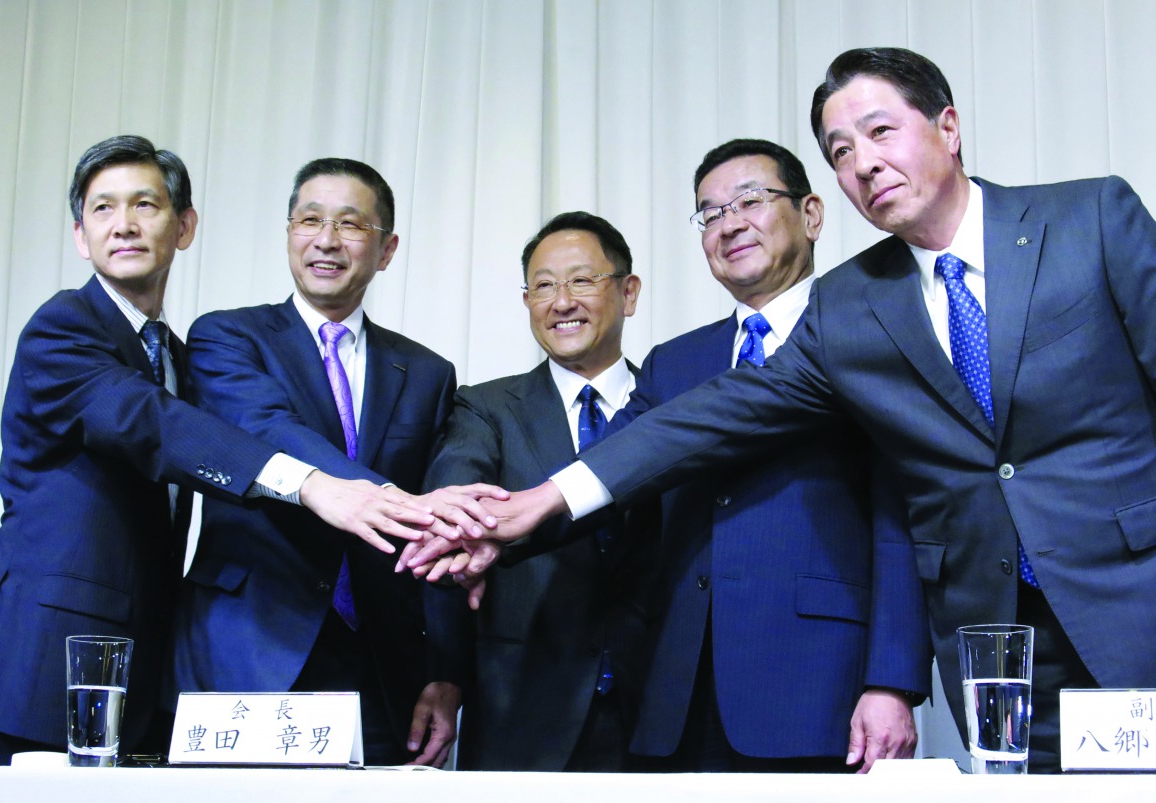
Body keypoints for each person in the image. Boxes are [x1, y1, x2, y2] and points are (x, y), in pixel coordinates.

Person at [415, 47, 1156, 774]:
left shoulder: (1091, 216)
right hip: (998, 636)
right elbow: (705, 419)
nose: (862, 162)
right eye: (840, 149)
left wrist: (890, 676)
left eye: (880, 132)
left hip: (1134, 595)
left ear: (948, 126)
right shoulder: (855, 306)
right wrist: (541, 501)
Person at [0, 136, 449, 766]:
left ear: (184, 226)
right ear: (80, 235)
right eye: (103, 209)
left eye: (145, 205)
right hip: (43, 662)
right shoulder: (65, 328)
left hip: (139, 672)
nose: (125, 225)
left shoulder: (171, 355)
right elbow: (150, 423)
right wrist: (314, 484)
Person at [617, 139, 929, 773]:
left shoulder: (875, 337)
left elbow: (903, 516)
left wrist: (892, 682)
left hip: (821, 692)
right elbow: (610, 478)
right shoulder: (672, 363)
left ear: (812, 215)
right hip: (677, 696)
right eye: (710, 213)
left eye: (750, 201)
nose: (729, 223)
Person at [171, 158, 495, 767]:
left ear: (387, 248)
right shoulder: (227, 338)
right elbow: (267, 429)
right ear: (289, 231)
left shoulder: (427, 373)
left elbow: (440, 531)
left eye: (350, 224)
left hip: (380, 661)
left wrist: (446, 670)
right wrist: (410, 508)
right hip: (249, 644)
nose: (326, 239)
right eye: (310, 220)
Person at [423, 212, 655, 771]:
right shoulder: (488, 407)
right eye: (544, 286)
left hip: (656, 707)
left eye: (580, 280)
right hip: (521, 708)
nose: (561, 301)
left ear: (628, 293)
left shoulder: (673, 405)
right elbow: (459, 496)